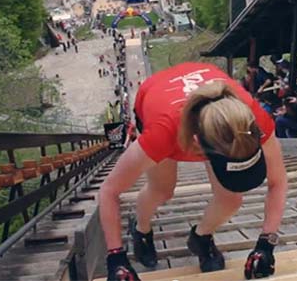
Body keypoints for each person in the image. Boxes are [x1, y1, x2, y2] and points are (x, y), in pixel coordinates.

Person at [99, 63, 287, 281]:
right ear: (197, 144)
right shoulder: (163, 132)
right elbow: (109, 190)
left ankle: (201, 237)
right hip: (157, 97)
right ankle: (141, 229)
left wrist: (266, 244)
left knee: (231, 199)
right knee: (162, 190)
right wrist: (116, 259)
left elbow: (278, 181)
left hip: (203, 99)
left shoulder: (251, 119)